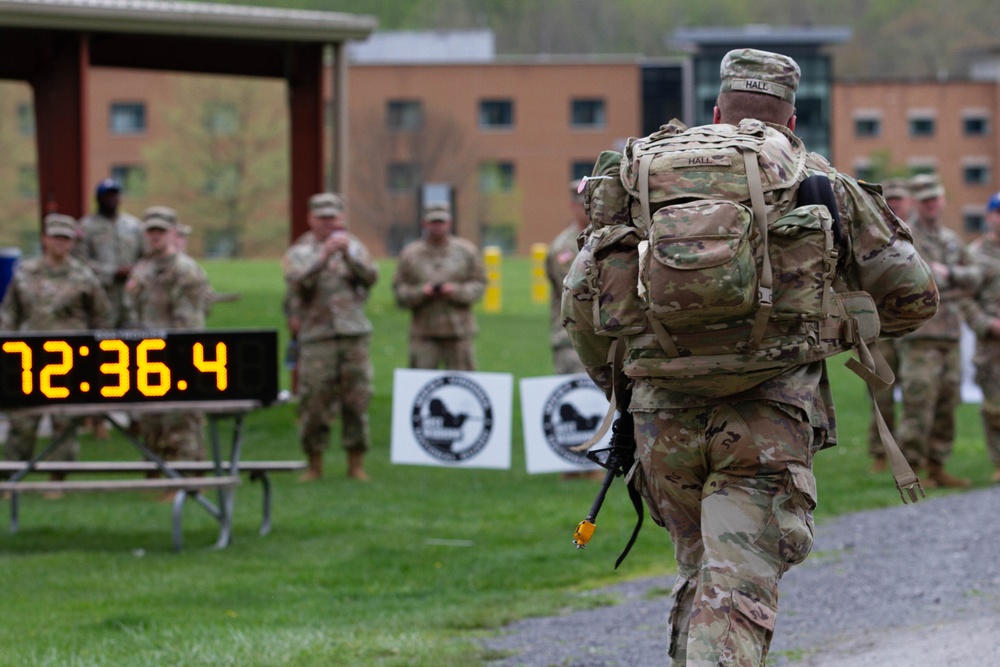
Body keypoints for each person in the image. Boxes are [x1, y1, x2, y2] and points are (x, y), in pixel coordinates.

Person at [562, 49, 937, 665]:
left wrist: (626, 375)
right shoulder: (816, 180)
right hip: (766, 421)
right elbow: (915, 294)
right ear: (791, 121)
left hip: (661, 421)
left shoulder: (646, 178)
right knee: (736, 594)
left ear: (716, 111)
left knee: (703, 576)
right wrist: (826, 327)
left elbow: (581, 303)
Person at [0, 214, 112, 489]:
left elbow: (101, 317)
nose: (61, 243)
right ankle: (10, 479)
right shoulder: (25, 273)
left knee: (66, 422)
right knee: (22, 422)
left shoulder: (83, 276)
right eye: (56, 237)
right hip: (29, 359)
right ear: (45, 239)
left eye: (66, 238)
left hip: (70, 359)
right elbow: (9, 314)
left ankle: (58, 481)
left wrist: (97, 356)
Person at [282, 193, 378, 481]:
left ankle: (356, 464)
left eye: (333, 217)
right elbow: (298, 283)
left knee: (357, 401)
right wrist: (322, 257)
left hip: (353, 335)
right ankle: (314, 464)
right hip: (317, 336)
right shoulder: (299, 253)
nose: (328, 222)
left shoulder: (356, 248)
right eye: (322, 217)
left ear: (342, 219)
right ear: (311, 219)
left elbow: (371, 278)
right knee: (314, 402)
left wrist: (347, 255)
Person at [896, 173, 981, 488]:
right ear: (916, 202)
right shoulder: (906, 237)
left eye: (935, 198)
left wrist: (951, 275)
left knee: (948, 403)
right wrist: (947, 282)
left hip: (951, 335)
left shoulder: (950, 239)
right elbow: (914, 279)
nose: (931, 204)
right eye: (925, 199)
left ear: (942, 200)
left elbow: (976, 276)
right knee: (919, 405)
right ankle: (912, 470)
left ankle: (937, 466)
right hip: (920, 336)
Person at [126, 206, 211, 467]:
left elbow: (189, 323)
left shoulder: (185, 270)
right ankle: (156, 477)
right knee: (152, 423)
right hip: (147, 356)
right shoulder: (143, 269)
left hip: (177, 355)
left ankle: (186, 479)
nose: (155, 236)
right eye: (150, 231)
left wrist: (179, 360)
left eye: (160, 231)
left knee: (181, 423)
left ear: (173, 233)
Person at [392, 202, 486, 370]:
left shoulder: (466, 251)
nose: (437, 227)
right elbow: (399, 291)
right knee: (420, 385)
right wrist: (422, 292)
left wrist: (455, 291)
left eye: (441, 222)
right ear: (424, 223)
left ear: (449, 223)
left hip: (458, 331)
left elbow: (479, 285)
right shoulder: (411, 254)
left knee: (463, 383)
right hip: (423, 332)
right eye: (433, 222)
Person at [867, 177, 914, 472]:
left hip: (913, 331)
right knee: (880, 391)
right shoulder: (871, 233)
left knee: (915, 393)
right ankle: (880, 454)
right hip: (880, 328)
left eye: (899, 198)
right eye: (890, 198)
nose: (894, 203)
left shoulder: (916, 236)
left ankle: (911, 452)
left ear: (908, 202)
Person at [963, 192, 1000, 483]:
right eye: (997, 212)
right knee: (995, 408)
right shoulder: (975, 255)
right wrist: (987, 324)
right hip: (992, 345)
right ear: (989, 217)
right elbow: (965, 299)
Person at [73, 178, 144, 328]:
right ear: (98, 199)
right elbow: (80, 261)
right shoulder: (86, 227)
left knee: (134, 335)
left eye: (114, 195)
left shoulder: (133, 225)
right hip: (101, 294)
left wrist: (135, 271)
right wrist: (112, 272)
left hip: (131, 294)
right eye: (107, 195)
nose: (111, 199)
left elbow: (145, 256)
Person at [546, 180, 589, 376]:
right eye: (584, 205)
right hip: (572, 336)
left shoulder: (603, 238)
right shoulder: (564, 247)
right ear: (573, 206)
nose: (590, 209)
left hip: (602, 334)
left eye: (594, 203)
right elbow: (576, 286)